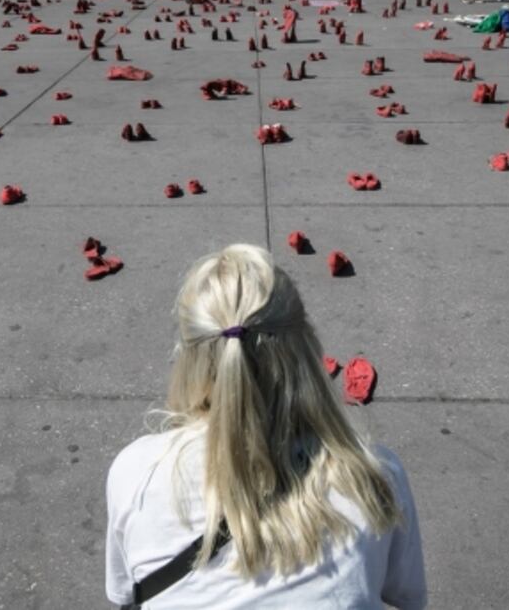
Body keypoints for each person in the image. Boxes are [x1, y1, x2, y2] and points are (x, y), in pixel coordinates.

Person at [105, 244, 427, 609]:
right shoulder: (374, 478)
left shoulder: (136, 473)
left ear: (189, 356)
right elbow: (406, 599)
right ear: (304, 346)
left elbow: (126, 594)